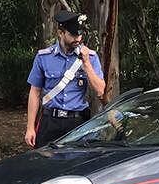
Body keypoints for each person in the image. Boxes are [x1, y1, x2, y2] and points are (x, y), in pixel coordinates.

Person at [25, 10, 106, 146]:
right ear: (60, 33)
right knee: (44, 158)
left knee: (77, 159)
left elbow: (100, 90)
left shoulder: (90, 57)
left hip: (78, 122)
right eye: (73, 35)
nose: (77, 39)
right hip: (50, 121)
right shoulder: (44, 57)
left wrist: (86, 64)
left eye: (79, 34)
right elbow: (35, 92)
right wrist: (30, 127)